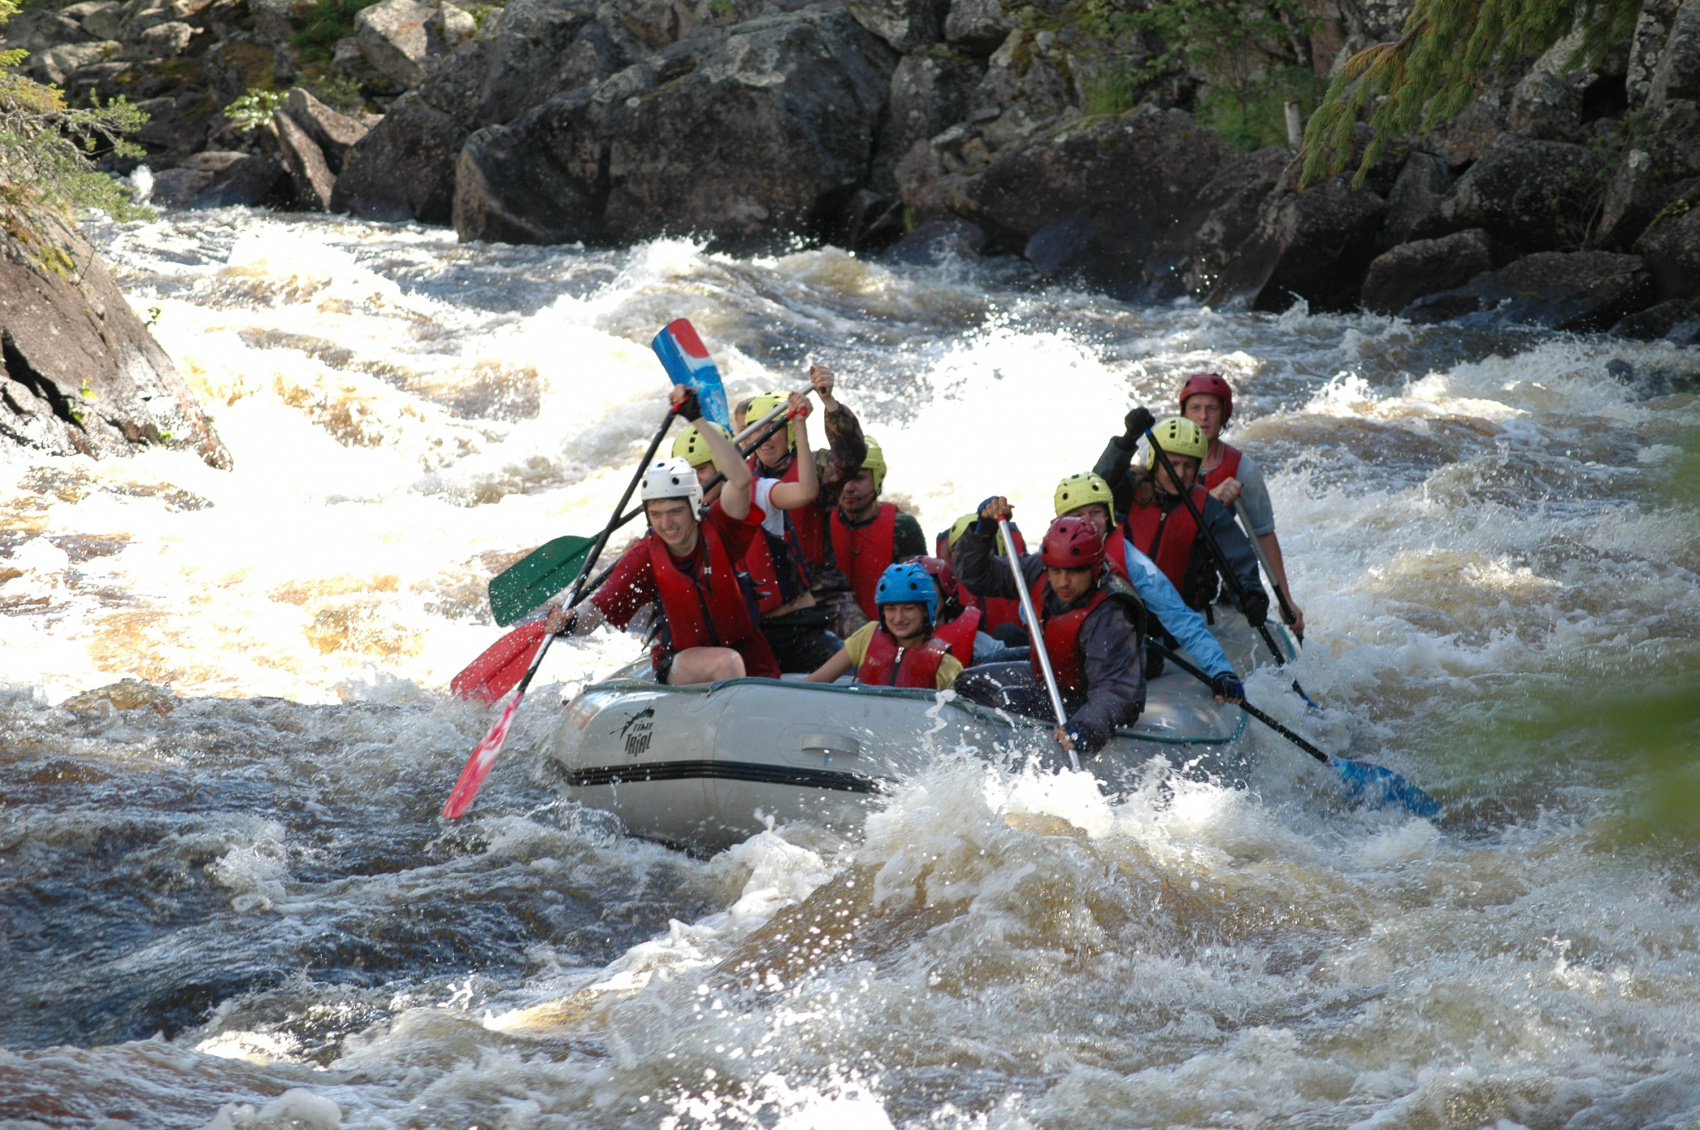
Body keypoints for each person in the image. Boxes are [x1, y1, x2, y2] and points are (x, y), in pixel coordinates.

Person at [545, 410, 778, 684]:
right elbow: (596, 611)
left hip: (751, 656)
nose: (666, 523)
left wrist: (696, 418)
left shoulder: (721, 527)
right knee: (726, 662)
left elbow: (739, 478)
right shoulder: (643, 557)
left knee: (731, 662)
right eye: (656, 514)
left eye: (676, 511)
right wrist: (569, 621)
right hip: (682, 662)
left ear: (695, 506)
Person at [952, 509, 1146, 755]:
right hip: (1055, 676)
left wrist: (1084, 728)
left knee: (1008, 701)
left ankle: (1025, 761)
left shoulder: (1110, 614)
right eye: (1056, 571)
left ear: (1094, 568)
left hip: (1090, 698)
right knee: (967, 681)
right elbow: (977, 576)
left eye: (1074, 572)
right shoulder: (1041, 569)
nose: (1063, 582)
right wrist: (984, 530)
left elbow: (1115, 690)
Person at [671, 402, 842, 672]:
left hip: (797, 627)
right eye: (686, 473)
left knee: (851, 671)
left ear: (721, 465)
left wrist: (799, 426)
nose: (693, 480)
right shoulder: (680, 519)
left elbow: (807, 492)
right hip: (750, 636)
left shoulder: (760, 491)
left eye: (701, 470)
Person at [1051, 471, 1243, 703]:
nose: (1089, 521)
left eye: (1095, 512)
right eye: (1078, 515)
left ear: (1108, 514)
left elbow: (1180, 618)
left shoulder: (1134, 563)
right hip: (1070, 656)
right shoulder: (1048, 559)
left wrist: (1220, 671)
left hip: (1118, 659)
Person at [744, 366, 873, 640]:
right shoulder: (736, 479)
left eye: (772, 428)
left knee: (868, 643)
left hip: (822, 592)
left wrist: (829, 402)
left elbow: (851, 455)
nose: (764, 438)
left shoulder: (815, 467)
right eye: (756, 430)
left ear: (790, 431)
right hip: (763, 598)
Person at [1105, 415, 1269, 628]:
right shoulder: (1127, 489)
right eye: (1172, 464)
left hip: (1177, 621)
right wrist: (1127, 440)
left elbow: (1236, 554)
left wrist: (1252, 594)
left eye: (1188, 466)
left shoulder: (1205, 507)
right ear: (1155, 461)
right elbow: (1098, 484)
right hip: (1120, 611)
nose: (1180, 474)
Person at [1178, 373, 1305, 635]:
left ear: (1224, 414)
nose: (1203, 417)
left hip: (1209, 575)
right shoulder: (1161, 460)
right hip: (1170, 567)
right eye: (1195, 408)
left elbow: (1263, 536)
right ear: (1184, 414)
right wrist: (1209, 498)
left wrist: (1285, 600)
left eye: (1212, 408)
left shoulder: (1243, 471)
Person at [806, 562, 962, 690]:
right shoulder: (867, 635)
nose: (898, 618)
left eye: (908, 609)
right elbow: (816, 680)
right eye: (890, 609)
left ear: (926, 611)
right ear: (882, 612)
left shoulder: (948, 666)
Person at [828, 435, 928, 622]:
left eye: (858, 478)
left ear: (877, 480)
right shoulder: (822, 521)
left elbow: (920, 596)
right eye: (842, 478)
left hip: (888, 631)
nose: (848, 487)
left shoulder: (903, 527)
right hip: (832, 631)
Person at [935, 514, 1029, 644]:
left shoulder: (1024, 575)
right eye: (962, 552)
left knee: (1006, 632)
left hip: (1018, 652)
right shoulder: (946, 594)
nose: (972, 560)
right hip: (972, 656)